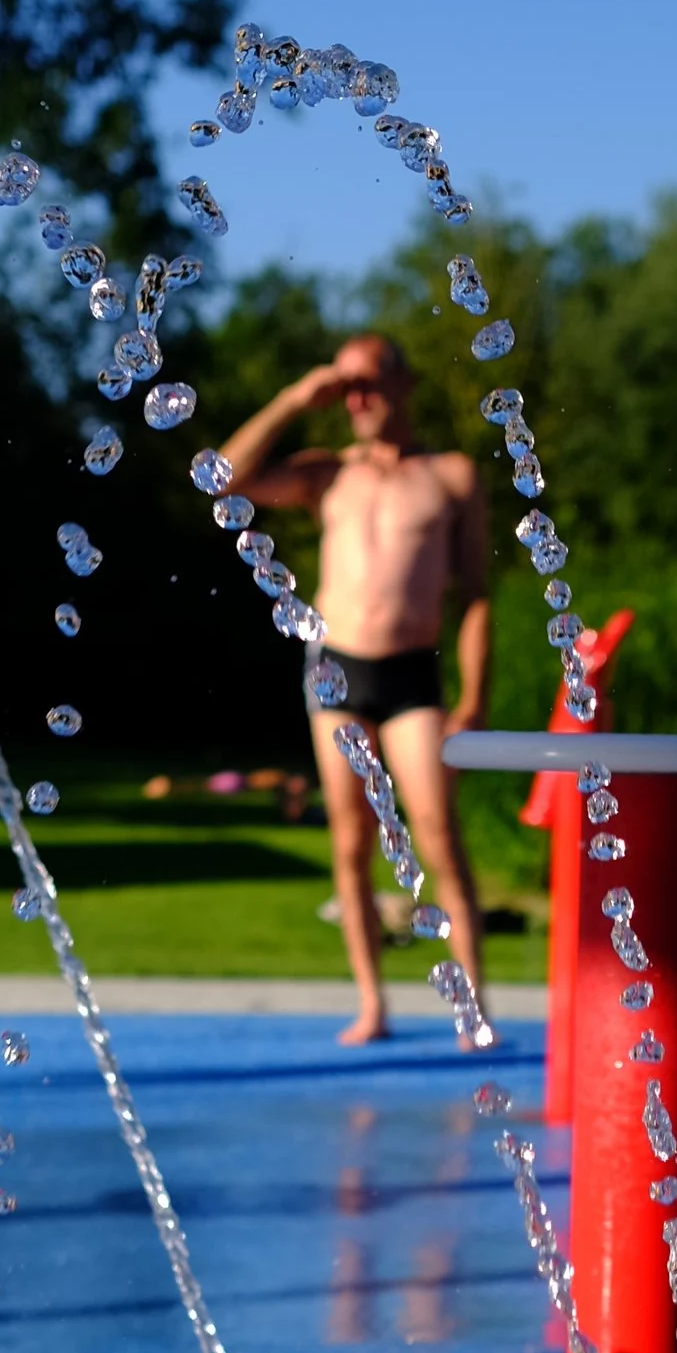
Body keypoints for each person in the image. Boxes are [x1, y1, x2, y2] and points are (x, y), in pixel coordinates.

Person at [220, 333, 490, 1046]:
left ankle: (473, 1006)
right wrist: (293, 399)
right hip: (337, 668)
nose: (359, 399)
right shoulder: (327, 474)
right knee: (350, 842)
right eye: (346, 388)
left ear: (404, 384)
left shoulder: (451, 475)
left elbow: (476, 596)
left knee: (437, 833)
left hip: (412, 674)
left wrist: (474, 696)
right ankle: (373, 1004)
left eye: (369, 383)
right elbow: (222, 480)